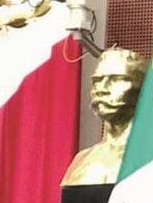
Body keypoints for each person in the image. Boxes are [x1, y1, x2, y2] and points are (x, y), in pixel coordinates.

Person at [61, 47, 146, 186]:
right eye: (97, 81)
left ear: (142, 87)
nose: (102, 89)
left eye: (117, 79)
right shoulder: (81, 160)